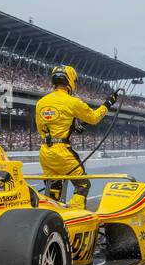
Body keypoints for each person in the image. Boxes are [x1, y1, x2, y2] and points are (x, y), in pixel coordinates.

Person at [34, 64, 117, 205]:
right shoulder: (72, 102)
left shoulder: (41, 103)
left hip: (45, 153)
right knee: (82, 185)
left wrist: (70, 128)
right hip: (62, 153)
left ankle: (52, 217)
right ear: (70, 81)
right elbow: (94, 118)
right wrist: (108, 103)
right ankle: (77, 217)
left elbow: (41, 130)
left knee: (53, 187)